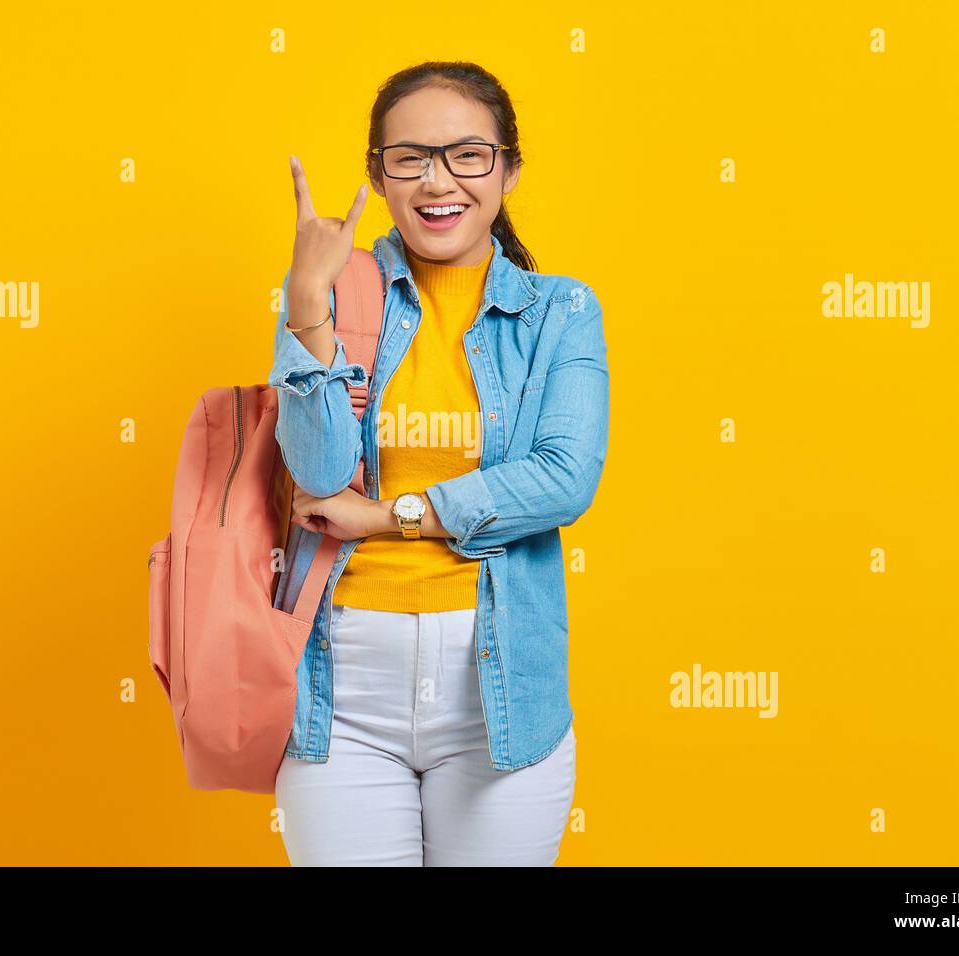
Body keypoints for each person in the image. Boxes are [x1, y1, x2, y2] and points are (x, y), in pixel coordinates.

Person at [268, 61, 609, 866]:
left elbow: (564, 477)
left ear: (508, 169)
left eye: (467, 155)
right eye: (411, 158)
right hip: (338, 692)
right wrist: (306, 303)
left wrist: (391, 517)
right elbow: (318, 473)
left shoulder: (561, 310)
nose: (438, 180)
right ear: (378, 176)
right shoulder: (338, 295)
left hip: (499, 696)